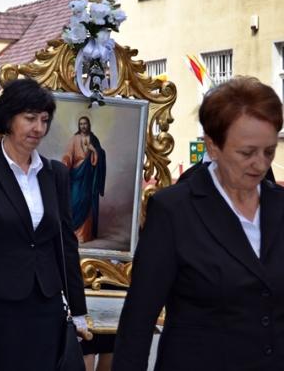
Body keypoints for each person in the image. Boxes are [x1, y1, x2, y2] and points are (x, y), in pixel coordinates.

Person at [112, 76, 284, 371]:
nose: (260, 164)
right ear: (212, 146)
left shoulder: (280, 205)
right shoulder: (174, 211)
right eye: (247, 153)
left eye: (269, 151)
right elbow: (139, 320)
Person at [0, 78, 89, 370]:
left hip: (45, 306)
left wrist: (78, 309)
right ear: (8, 119)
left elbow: (66, 244)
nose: (38, 128)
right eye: (30, 118)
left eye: (44, 120)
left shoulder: (55, 174)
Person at [61, 115, 106, 242]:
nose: (83, 126)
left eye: (85, 123)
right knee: (74, 201)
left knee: (87, 201)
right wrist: (64, 164)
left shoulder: (94, 139)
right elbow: (68, 155)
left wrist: (94, 150)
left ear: (89, 124)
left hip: (89, 177)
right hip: (76, 175)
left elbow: (101, 154)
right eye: (81, 124)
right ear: (78, 125)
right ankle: (72, 233)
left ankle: (84, 235)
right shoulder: (74, 139)